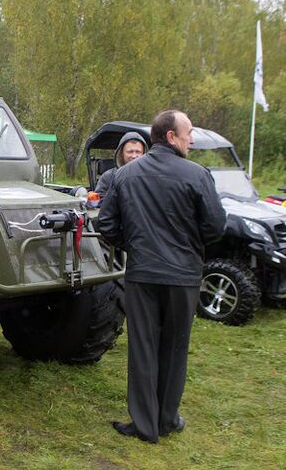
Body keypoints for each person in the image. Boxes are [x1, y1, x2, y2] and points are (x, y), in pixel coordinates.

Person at [98, 110, 226, 443]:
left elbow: (107, 226)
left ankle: (145, 424)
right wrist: (186, 245)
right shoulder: (197, 175)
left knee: (143, 348)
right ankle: (166, 419)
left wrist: (137, 246)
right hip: (183, 275)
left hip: (143, 274)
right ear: (170, 136)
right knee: (174, 348)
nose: (192, 139)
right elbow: (215, 227)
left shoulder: (125, 175)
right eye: (189, 133)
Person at [95, 131, 147, 198]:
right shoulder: (108, 177)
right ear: (121, 154)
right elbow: (98, 201)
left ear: (144, 153)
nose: (134, 156)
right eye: (130, 152)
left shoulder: (150, 177)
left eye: (138, 152)